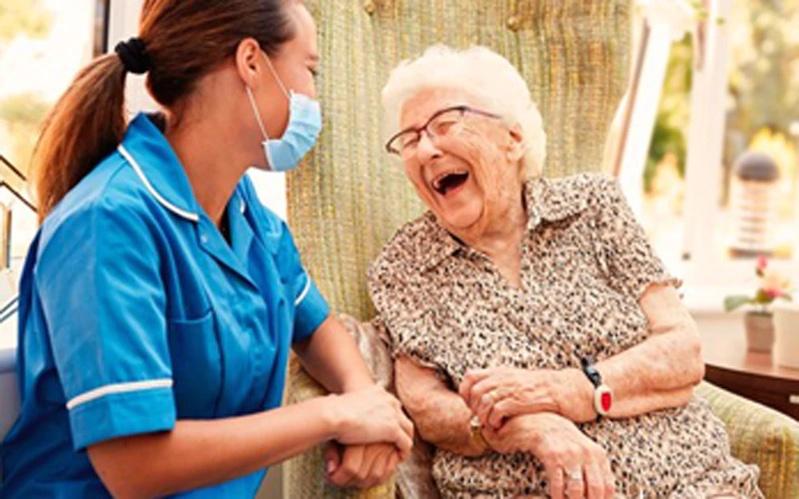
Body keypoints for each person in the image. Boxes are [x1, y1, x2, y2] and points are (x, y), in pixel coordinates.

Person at [1, 1, 412, 497]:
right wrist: (331, 415)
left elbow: (316, 325)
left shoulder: (242, 211)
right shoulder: (107, 222)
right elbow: (135, 466)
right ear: (251, 62)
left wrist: (366, 400)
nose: (313, 95)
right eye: (310, 70)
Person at [368, 45, 763, 498]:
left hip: (696, 484)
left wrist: (567, 391)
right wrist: (534, 428)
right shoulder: (405, 266)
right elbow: (428, 409)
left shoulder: (593, 206)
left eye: (443, 125)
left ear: (513, 138)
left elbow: (682, 352)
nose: (426, 149)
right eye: (410, 139)